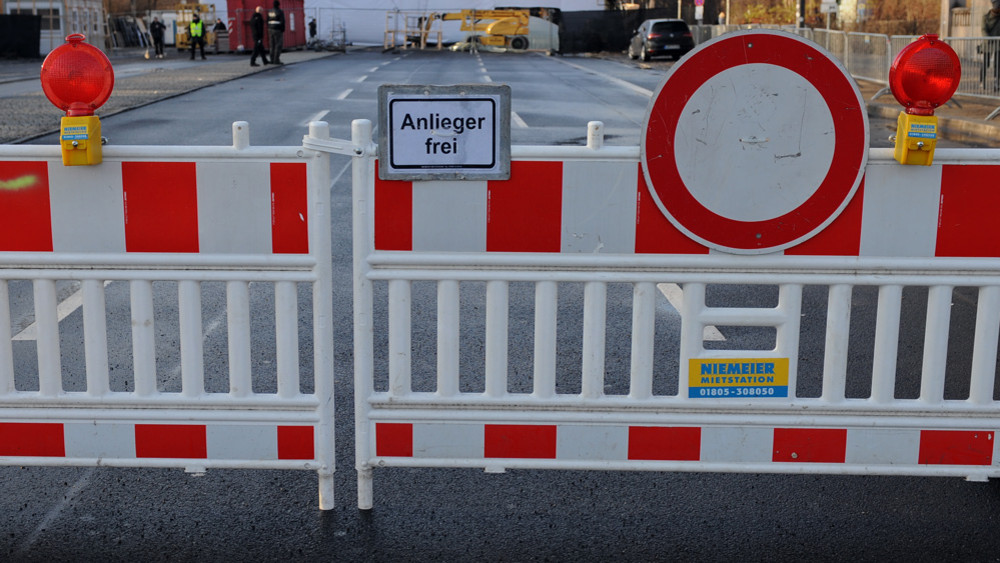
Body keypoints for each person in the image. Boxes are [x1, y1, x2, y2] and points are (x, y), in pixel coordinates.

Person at [983, 0, 1000, 92]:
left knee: (997, 65)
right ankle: (982, 81)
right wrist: (989, 39)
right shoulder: (986, 17)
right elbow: (983, 30)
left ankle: (996, 83)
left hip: (998, 45)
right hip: (988, 44)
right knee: (986, 64)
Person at [267, 0, 285, 65]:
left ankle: (271, 59)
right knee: (278, 45)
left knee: (272, 45)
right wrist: (282, 30)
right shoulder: (280, 12)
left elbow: (267, 20)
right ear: (278, 5)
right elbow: (282, 21)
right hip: (278, 30)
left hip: (270, 29)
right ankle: (276, 60)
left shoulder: (270, 11)